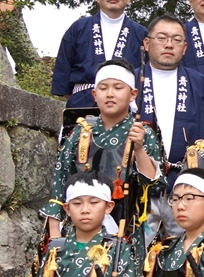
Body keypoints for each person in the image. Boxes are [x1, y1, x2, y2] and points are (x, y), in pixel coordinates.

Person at [45, 60, 164, 243]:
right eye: (103, 88)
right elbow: (60, 181)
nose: (110, 94)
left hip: (128, 230)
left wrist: (139, 149)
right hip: (77, 229)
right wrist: (55, 234)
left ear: (133, 94)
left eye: (118, 87)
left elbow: (155, 188)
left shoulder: (143, 133)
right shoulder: (81, 131)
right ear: (94, 94)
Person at [51, 0, 147, 120]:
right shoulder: (79, 28)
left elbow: (146, 72)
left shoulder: (140, 33)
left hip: (125, 107)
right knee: (81, 136)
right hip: (82, 102)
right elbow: (63, 68)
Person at [140, 14, 204, 181]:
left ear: (184, 48)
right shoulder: (130, 83)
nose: (169, 45)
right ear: (146, 43)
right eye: (162, 38)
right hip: (139, 177)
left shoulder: (199, 83)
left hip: (189, 179)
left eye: (176, 40)